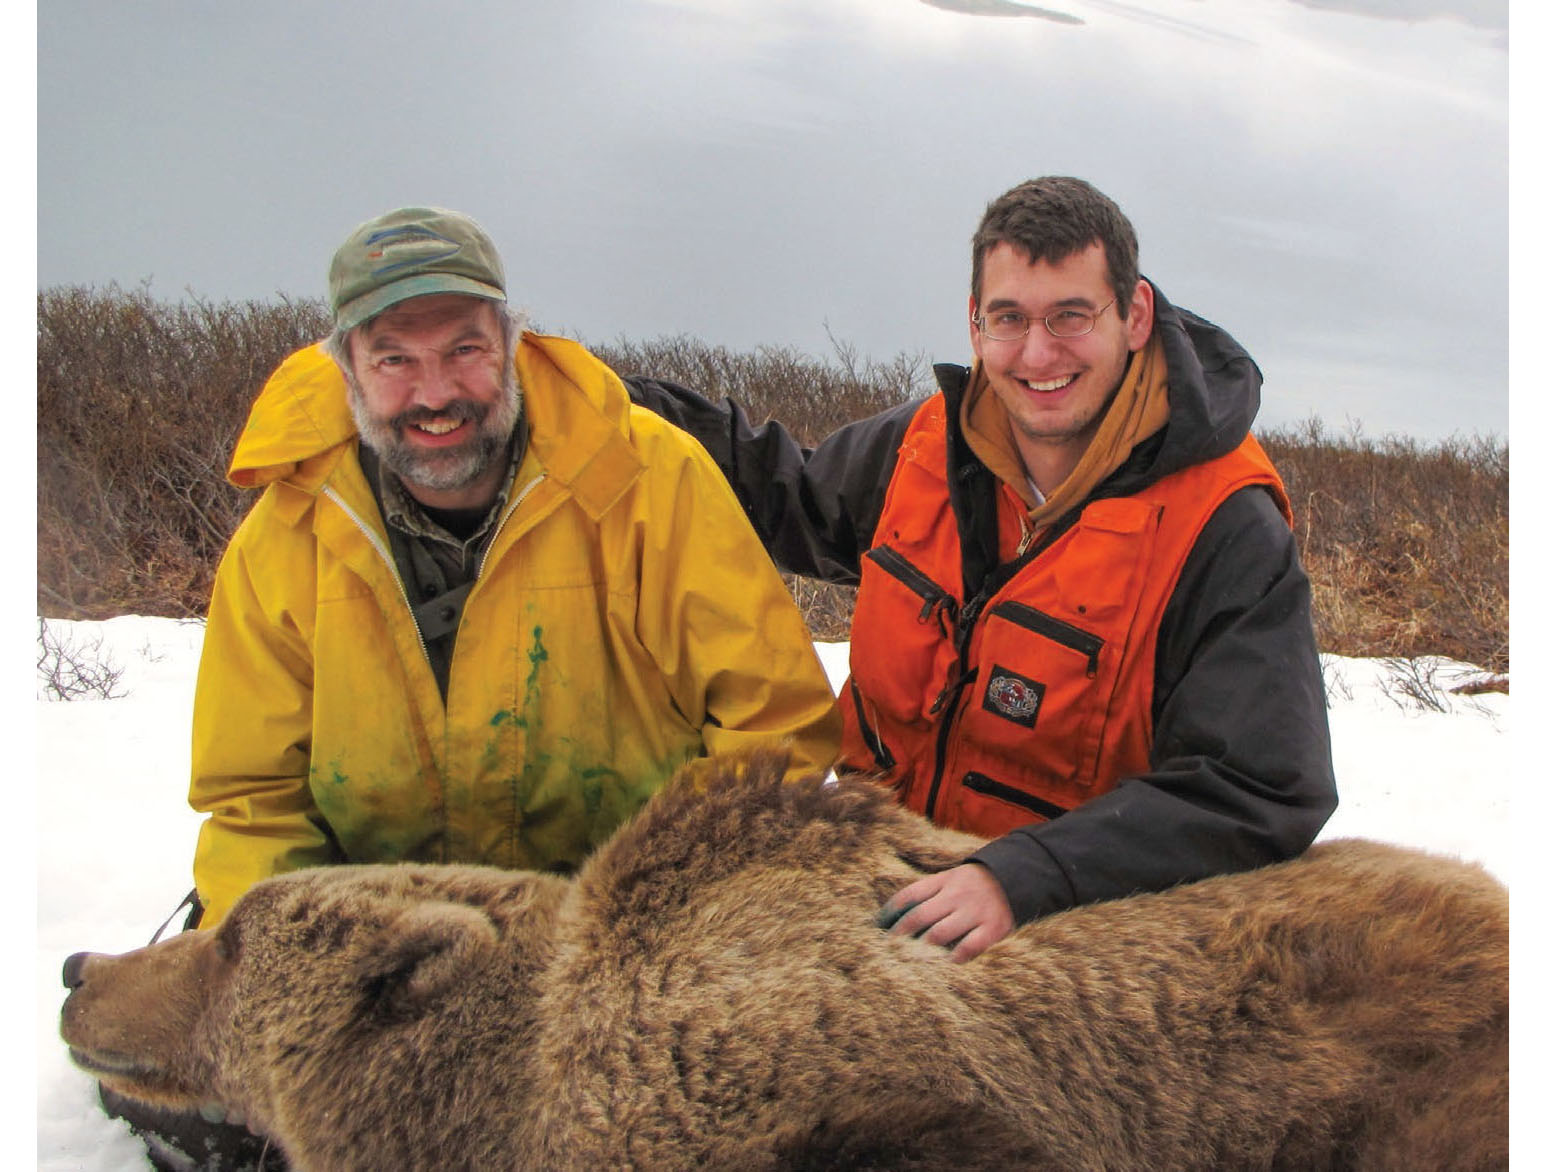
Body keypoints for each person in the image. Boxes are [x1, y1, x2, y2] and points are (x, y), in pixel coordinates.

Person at [629, 176, 1337, 962]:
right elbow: (787, 490)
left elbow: (1261, 786)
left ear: (1134, 316)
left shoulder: (1224, 524)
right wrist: (609, 404)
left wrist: (1025, 876)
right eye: (1009, 320)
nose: (1038, 355)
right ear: (974, 327)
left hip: (1071, 938)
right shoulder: (929, 445)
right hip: (874, 883)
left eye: (1071, 316)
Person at [187, 205, 841, 930]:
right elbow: (255, 804)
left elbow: (773, 731)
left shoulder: (654, 478)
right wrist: (285, 957)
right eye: (394, 359)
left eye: (465, 349)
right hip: (388, 938)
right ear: (345, 369)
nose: (435, 395)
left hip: (627, 918)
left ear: (511, 340)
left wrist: (661, 912)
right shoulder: (283, 535)